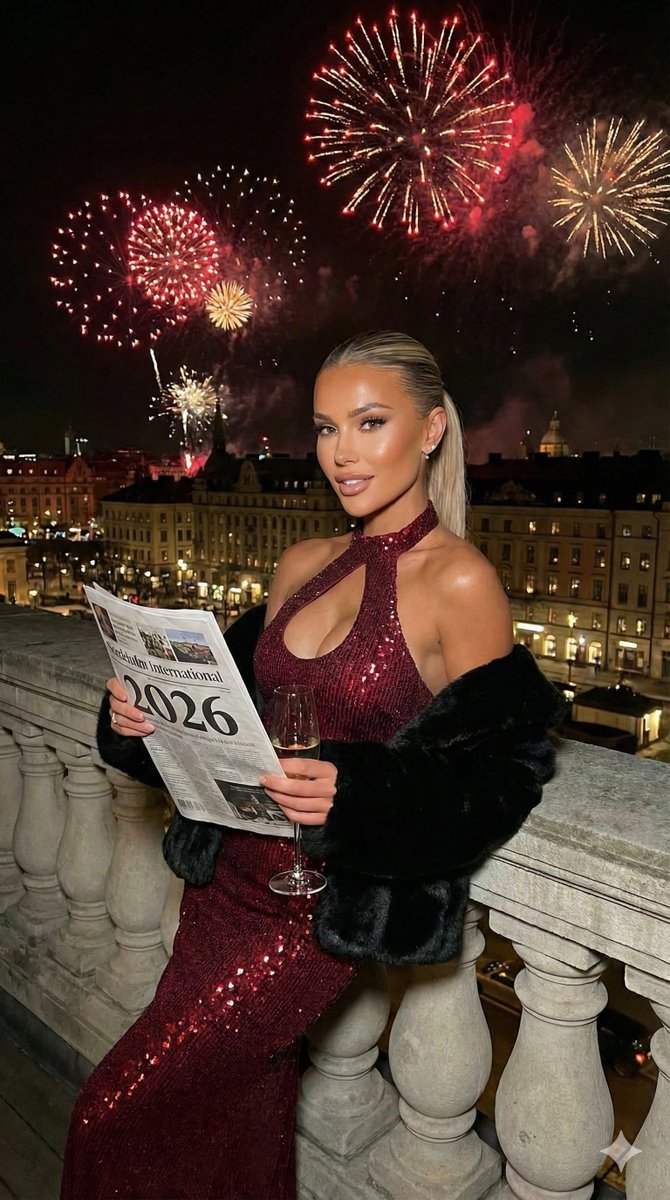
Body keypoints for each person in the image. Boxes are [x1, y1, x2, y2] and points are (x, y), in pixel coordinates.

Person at [61, 331, 565, 1200]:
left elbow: (498, 773)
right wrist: (144, 720)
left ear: (432, 429)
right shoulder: (301, 562)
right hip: (221, 884)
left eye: (370, 423)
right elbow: (235, 721)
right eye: (328, 429)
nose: (343, 453)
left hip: (309, 916)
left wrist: (360, 792)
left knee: (112, 1110)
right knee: (241, 1115)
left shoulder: (461, 582)